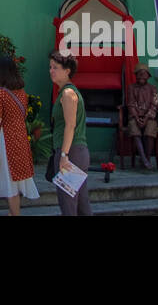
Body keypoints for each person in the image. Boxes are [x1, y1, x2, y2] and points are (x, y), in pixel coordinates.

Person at [0, 56, 38, 215]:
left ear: (0, 71)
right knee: (17, 176)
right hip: (20, 137)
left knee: (9, 180)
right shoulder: (21, 92)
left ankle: (15, 214)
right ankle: (12, 213)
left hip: (6, 139)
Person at [49, 50, 92, 216]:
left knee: (68, 204)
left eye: (56, 67)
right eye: (50, 67)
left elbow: (70, 125)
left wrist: (64, 155)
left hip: (71, 151)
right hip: (75, 151)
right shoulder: (66, 92)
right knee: (81, 204)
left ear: (67, 71)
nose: (51, 70)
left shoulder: (68, 93)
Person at [126, 64, 158, 169]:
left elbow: (154, 105)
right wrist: (136, 117)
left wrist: (146, 118)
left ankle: (147, 158)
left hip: (149, 118)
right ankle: (144, 158)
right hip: (135, 117)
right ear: (136, 76)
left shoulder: (153, 89)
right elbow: (130, 104)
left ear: (148, 76)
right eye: (139, 75)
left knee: (150, 131)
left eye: (144, 75)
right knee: (135, 131)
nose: (141, 77)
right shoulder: (131, 88)